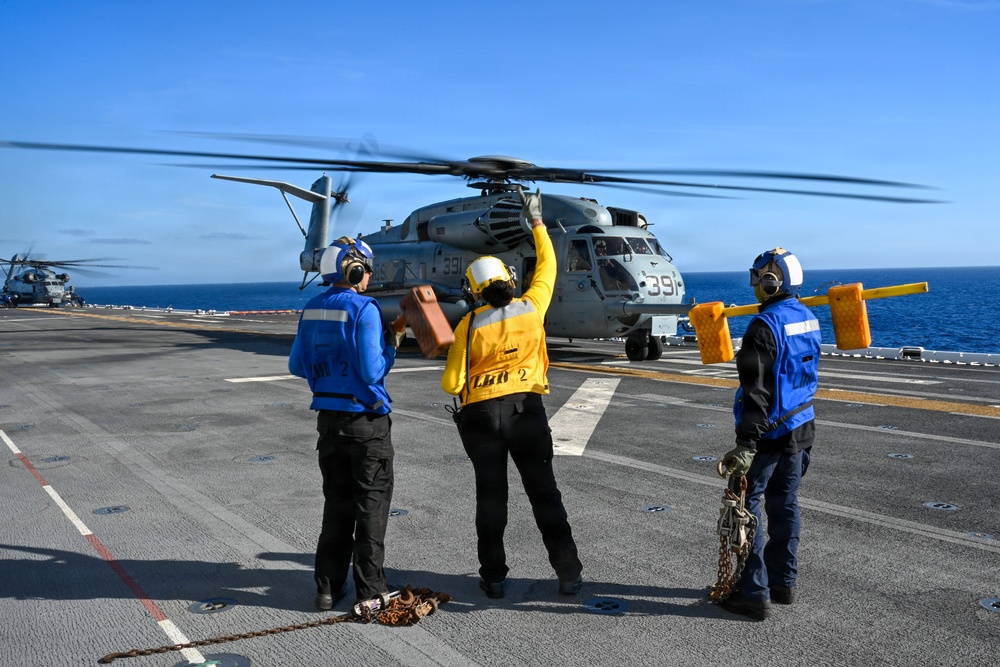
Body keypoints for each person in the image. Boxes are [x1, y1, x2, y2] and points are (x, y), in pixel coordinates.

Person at [441, 189, 583, 600]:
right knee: (545, 495)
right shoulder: (531, 306)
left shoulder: (469, 325)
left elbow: (451, 384)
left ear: (475, 290)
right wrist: (537, 224)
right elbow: (548, 267)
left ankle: (494, 577)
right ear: (509, 279)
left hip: (482, 419)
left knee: (491, 499)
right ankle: (569, 574)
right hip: (527, 415)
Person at [288, 236, 404, 611]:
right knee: (371, 507)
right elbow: (372, 371)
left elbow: (295, 366)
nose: (369, 276)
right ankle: (371, 590)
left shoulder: (312, 307)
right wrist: (393, 346)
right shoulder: (363, 308)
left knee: (337, 507)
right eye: (367, 269)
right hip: (366, 423)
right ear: (354, 270)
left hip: (328, 423)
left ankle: (327, 588)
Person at [718, 247, 821, 621]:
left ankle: (753, 593)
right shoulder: (808, 318)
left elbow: (755, 392)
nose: (757, 285)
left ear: (771, 281)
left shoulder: (763, 327)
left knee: (747, 510)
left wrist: (745, 443)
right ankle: (783, 583)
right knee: (786, 504)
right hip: (801, 427)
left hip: (768, 434)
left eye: (759, 277)